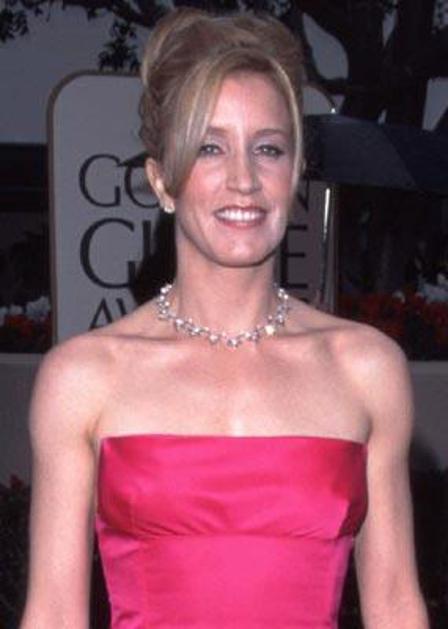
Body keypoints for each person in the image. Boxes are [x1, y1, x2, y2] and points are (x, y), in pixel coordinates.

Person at [21, 8, 428, 629]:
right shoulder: (83, 377)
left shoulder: (366, 368)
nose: (244, 179)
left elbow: (396, 604)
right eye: (210, 147)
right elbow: (53, 613)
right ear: (162, 180)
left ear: (295, 174)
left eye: (268, 149)